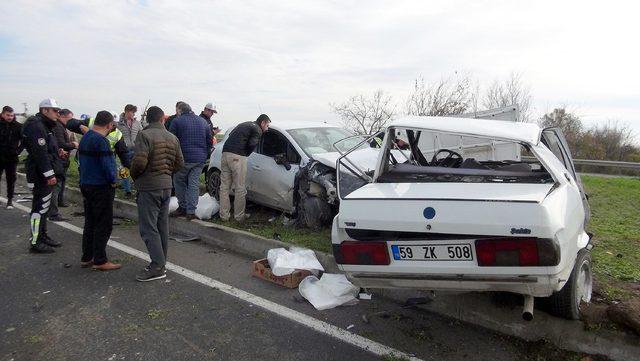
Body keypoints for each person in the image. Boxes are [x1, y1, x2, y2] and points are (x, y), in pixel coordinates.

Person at [130, 106, 184, 281]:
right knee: (162, 226)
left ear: (149, 119)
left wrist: (135, 176)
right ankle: (161, 262)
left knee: (148, 228)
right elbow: (179, 163)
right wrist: (166, 173)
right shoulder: (172, 137)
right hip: (166, 186)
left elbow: (139, 162)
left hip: (148, 186)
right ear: (162, 119)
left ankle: (157, 266)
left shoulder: (144, 135)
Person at [78, 111, 121, 271]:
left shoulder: (86, 138)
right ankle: (100, 260)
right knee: (103, 224)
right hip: (100, 187)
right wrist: (113, 181)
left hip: (86, 184)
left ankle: (87, 257)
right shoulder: (101, 141)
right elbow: (108, 166)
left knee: (90, 222)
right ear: (109, 125)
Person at [22, 99, 63, 253]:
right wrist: (49, 174)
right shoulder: (36, 125)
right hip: (40, 175)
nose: (57, 114)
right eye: (55, 110)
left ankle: (42, 235)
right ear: (45, 110)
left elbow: (48, 149)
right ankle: (35, 241)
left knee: (43, 208)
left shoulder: (44, 125)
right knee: (39, 209)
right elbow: (40, 154)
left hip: (43, 173)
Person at [219, 114, 270, 222]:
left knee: (224, 187)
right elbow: (252, 143)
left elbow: (231, 135)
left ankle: (224, 215)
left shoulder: (245, 124)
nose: (267, 128)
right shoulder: (257, 129)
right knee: (240, 188)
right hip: (238, 156)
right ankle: (239, 216)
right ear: (263, 123)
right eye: (267, 125)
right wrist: (245, 154)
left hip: (225, 154)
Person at [169, 103, 212, 220]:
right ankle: (191, 211)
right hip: (199, 159)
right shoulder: (203, 122)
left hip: (184, 158)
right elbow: (209, 141)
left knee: (178, 180)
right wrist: (205, 154)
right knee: (193, 184)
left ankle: (182, 207)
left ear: (179, 110)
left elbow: (172, 141)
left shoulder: (177, 121)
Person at [48, 109, 78, 221]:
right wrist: (73, 145)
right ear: (63, 117)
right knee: (56, 186)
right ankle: (53, 212)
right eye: (69, 119)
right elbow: (60, 143)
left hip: (62, 160)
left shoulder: (62, 126)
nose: (71, 122)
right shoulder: (58, 127)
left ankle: (59, 202)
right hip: (58, 160)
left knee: (61, 183)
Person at [117, 104, 143, 197]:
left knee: (135, 170)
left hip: (135, 150)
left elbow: (142, 134)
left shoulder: (137, 123)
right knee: (124, 170)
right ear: (126, 111)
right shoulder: (118, 124)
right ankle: (127, 190)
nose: (133, 114)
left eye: (134, 112)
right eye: (132, 112)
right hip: (124, 150)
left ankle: (139, 189)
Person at [0, 106, 22, 210]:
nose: (10, 117)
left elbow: (24, 141)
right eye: (8, 115)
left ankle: (10, 200)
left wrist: (18, 151)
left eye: (12, 115)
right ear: (3, 114)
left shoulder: (18, 126)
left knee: (11, 179)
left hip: (11, 157)